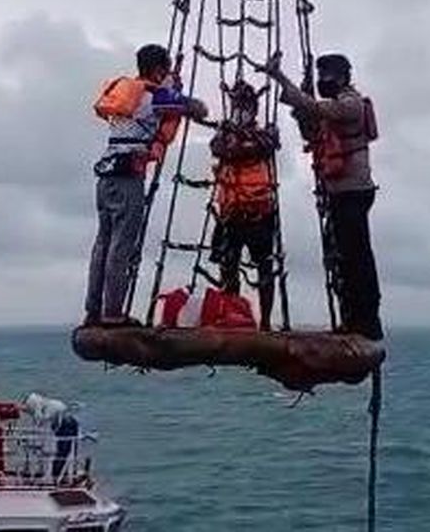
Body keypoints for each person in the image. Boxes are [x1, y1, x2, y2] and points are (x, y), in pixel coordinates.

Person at [260, 51, 383, 341]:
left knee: (356, 259)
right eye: (321, 76)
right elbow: (312, 125)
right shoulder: (337, 105)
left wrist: (279, 77)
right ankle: (354, 318)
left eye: (328, 76)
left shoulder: (351, 104)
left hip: (353, 192)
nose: (324, 81)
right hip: (340, 193)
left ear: (342, 77)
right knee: (344, 258)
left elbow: (317, 109)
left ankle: (365, 319)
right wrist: (302, 102)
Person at [86, 44, 207, 326]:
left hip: (106, 175)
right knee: (121, 244)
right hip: (129, 176)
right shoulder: (154, 97)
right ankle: (113, 313)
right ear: (158, 70)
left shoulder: (125, 92)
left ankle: (94, 310)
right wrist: (173, 88)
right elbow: (199, 110)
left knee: (102, 243)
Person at [209, 80, 280, 331]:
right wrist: (236, 141)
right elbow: (219, 149)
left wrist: (238, 141)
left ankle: (267, 323)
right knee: (228, 266)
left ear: (254, 108)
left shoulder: (266, 133)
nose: (240, 110)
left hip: (259, 210)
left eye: (245, 106)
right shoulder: (223, 134)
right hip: (230, 213)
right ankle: (232, 318)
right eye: (237, 105)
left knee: (265, 267)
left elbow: (261, 147)